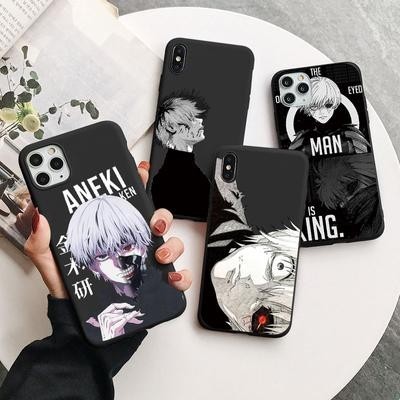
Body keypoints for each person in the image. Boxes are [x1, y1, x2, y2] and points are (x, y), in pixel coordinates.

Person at [0, 161, 192, 400]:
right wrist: (89, 346)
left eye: (127, 245)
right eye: (102, 255)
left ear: (143, 244)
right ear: (93, 266)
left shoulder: (153, 294)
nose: (121, 262)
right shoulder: (98, 319)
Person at [150, 95, 210, 219]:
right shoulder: (168, 178)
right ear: (171, 127)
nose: (200, 122)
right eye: (192, 118)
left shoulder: (188, 169)